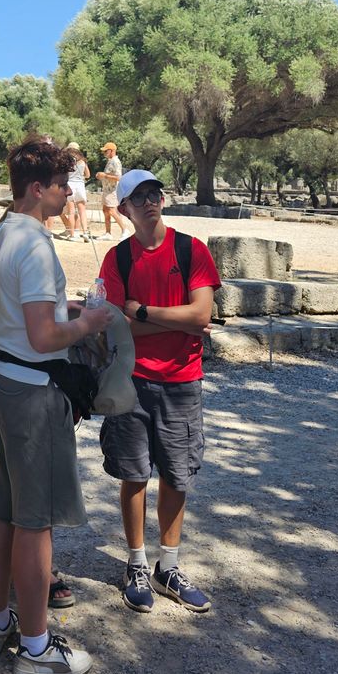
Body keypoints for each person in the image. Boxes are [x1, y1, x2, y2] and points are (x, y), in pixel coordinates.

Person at [0, 137, 109, 674]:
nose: (68, 194)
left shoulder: (2, 231)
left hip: (2, 376)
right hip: (34, 388)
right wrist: (87, 322)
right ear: (38, 189)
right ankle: (35, 648)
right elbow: (43, 336)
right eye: (61, 186)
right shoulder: (33, 244)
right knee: (35, 521)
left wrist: (59, 306)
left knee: (3, 507)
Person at [97, 170, 221, 614]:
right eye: (139, 197)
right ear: (124, 209)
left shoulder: (191, 249)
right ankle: (135, 563)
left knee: (176, 474)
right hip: (130, 380)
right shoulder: (117, 259)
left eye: (154, 194)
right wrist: (178, 320)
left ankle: (168, 566)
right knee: (134, 474)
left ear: (163, 200)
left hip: (182, 379)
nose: (149, 202)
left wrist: (145, 312)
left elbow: (202, 314)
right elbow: (117, 326)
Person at [95, 142, 132, 239]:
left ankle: (125, 230)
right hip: (107, 190)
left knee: (111, 211)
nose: (104, 153)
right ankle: (108, 233)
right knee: (105, 210)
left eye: (106, 151)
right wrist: (102, 176)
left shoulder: (115, 161)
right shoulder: (110, 161)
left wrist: (104, 175)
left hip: (112, 190)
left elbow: (119, 177)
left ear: (111, 151)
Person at [62, 143, 91, 242]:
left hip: (70, 185)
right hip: (80, 185)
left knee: (71, 211)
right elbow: (88, 175)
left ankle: (72, 234)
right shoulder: (82, 161)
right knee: (82, 211)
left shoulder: (67, 161)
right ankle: (85, 232)